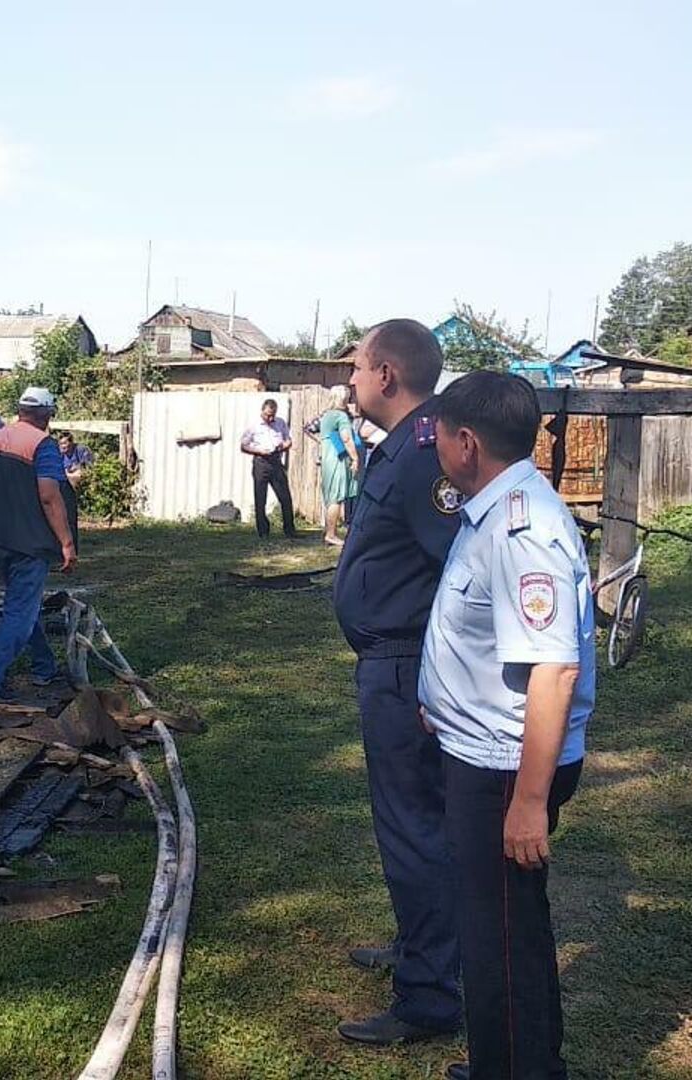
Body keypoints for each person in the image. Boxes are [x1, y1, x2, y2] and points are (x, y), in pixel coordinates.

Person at [420, 371, 596, 1080]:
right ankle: (520, 1063)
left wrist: (528, 801)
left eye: (436, 435)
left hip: (504, 769)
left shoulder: (525, 529)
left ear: (466, 443)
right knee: (507, 927)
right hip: (483, 754)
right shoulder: (493, 510)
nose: (430, 445)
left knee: (496, 941)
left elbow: (554, 671)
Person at [331, 319, 464, 1047]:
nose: (350, 382)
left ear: (386, 374)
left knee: (416, 830)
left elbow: (460, 570)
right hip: (393, 661)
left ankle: (429, 996)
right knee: (413, 828)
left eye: (356, 369)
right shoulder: (405, 448)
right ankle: (422, 946)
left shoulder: (425, 454)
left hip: (410, 668)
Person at [0, 386, 79, 698]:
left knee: (22, 605)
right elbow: (49, 496)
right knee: (19, 612)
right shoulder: (42, 445)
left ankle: (44, 668)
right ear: (45, 415)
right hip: (27, 543)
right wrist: (66, 543)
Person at [238, 398, 297, 539]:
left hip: (276, 461)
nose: (269, 418)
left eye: (272, 415)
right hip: (261, 462)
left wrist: (285, 445)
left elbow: (288, 439)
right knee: (260, 498)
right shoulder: (254, 425)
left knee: (285, 498)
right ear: (262, 411)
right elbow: (243, 445)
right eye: (267, 415)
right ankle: (263, 531)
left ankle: (289, 530)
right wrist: (258, 451)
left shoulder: (280, 423)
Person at [315, 386, 362, 546]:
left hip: (328, 457)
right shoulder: (341, 416)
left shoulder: (327, 415)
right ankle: (331, 534)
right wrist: (355, 458)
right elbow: (347, 438)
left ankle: (329, 530)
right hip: (338, 459)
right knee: (337, 496)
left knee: (331, 496)